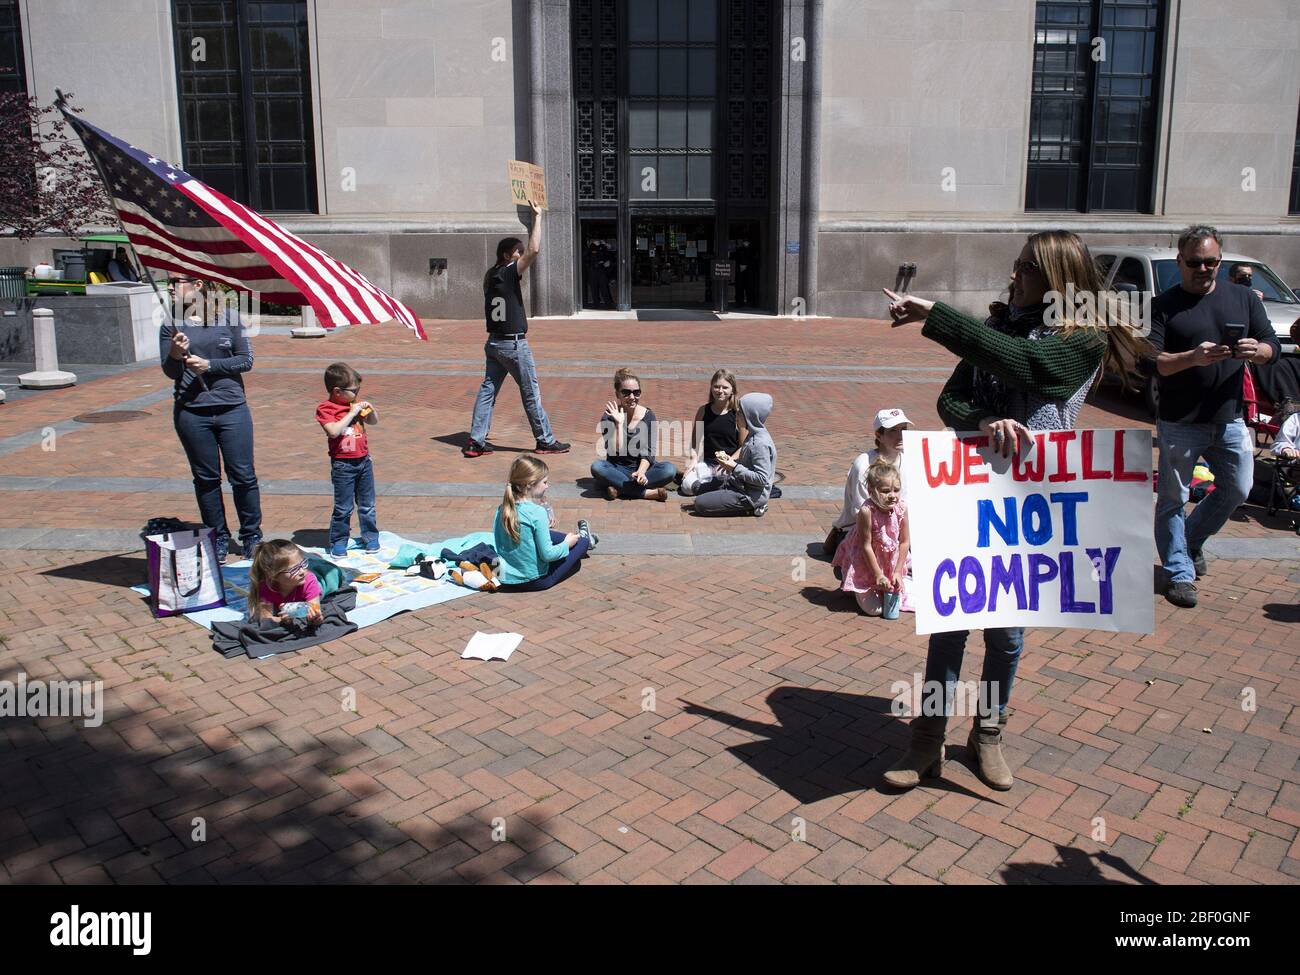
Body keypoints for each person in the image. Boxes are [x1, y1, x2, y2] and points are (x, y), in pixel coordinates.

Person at [880, 230, 1149, 791]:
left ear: (1059, 280)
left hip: (1033, 503)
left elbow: (1033, 366)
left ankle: (988, 735)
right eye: (1017, 265)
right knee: (949, 627)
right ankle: (927, 741)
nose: (1014, 275)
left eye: (1028, 268)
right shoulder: (996, 326)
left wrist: (939, 316)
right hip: (973, 491)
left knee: (1005, 636)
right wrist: (982, 423)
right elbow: (950, 399)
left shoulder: (1083, 340)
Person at [1151, 226, 1279, 608]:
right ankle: (1178, 573)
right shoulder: (1163, 305)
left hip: (1229, 417)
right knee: (1173, 497)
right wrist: (1193, 357)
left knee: (1238, 488)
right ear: (1180, 262)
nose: (1203, 268)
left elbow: (1273, 345)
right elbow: (1152, 362)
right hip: (1179, 421)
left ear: (1220, 261)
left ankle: (1190, 540)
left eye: (1211, 262)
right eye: (1194, 262)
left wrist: (1257, 350)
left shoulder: (1243, 298)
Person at [160, 275, 262, 562]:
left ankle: (251, 535)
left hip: (232, 409)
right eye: (168, 282)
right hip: (191, 412)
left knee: (242, 476)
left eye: (175, 281)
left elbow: (245, 360)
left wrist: (210, 365)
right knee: (206, 479)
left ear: (199, 284)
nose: (169, 287)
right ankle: (216, 535)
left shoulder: (228, 317)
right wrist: (174, 354)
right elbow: (169, 372)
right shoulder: (172, 323)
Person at [466, 200, 570, 458]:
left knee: (487, 391)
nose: (520, 255)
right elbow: (534, 250)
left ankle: (475, 442)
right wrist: (538, 217)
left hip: (494, 344)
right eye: (516, 252)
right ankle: (544, 440)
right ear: (506, 255)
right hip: (513, 345)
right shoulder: (509, 272)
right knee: (530, 392)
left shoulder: (491, 276)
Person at [494, 456, 594, 591]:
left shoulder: (502, 509)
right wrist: (566, 544)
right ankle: (585, 537)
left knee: (549, 535)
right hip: (536, 580)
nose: (548, 485)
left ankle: (572, 539)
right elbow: (547, 555)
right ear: (530, 483)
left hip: (505, 578)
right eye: (545, 482)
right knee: (582, 543)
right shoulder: (537, 512)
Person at [824, 408, 910, 561]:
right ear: (879, 435)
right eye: (893, 431)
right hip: (860, 532)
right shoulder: (863, 465)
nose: (900, 435)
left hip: (898, 529)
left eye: (903, 429)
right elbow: (862, 514)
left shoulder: (911, 460)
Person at [316, 362, 380, 557]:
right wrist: (351, 413)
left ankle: (370, 536)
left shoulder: (354, 405)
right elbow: (333, 431)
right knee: (343, 507)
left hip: (363, 461)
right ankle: (338, 540)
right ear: (337, 391)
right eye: (354, 390)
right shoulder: (326, 409)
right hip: (343, 465)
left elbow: (374, 421)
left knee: (367, 504)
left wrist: (371, 410)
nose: (357, 393)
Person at [832, 461, 912, 616]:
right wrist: (878, 575)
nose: (892, 496)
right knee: (876, 610)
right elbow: (865, 546)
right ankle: (856, 587)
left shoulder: (902, 508)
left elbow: (904, 542)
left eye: (896, 490)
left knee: (896, 598)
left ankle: (888, 580)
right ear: (870, 490)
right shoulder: (867, 511)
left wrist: (897, 572)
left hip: (889, 558)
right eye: (885, 491)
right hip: (865, 562)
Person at [591, 368, 678, 501]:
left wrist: (641, 472)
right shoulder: (608, 417)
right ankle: (647, 493)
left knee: (669, 470)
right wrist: (619, 424)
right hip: (617, 468)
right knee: (597, 467)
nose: (632, 397)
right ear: (617, 394)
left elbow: (648, 451)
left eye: (636, 392)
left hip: (642, 468)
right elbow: (614, 451)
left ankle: (619, 489)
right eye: (626, 393)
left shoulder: (648, 416)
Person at [691, 392, 777, 517]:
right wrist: (729, 462)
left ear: (751, 416)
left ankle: (753, 508)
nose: (736, 416)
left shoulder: (760, 444)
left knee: (700, 504)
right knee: (696, 489)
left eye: (740, 413)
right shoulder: (753, 435)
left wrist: (734, 467)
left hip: (748, 495)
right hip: (737, 484)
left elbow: (761, 478)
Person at [679, 370, 747, 497]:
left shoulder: (738, 413)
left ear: (732, 390)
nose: (720, 390)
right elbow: (694, 442)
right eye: (716, 386)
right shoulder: (703, 411)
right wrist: (693, 460)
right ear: (711, 388)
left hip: (730, 465)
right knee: (686, 486)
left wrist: (729, 461)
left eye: (725, 387)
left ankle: (713, 488)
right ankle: (719, 489)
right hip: (708, 463)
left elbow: (744, 446)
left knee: (721, 477)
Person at [247, 540, 323, 624]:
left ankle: (315, 559)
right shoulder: (267, 586)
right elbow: (265, 618)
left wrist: (315, 617)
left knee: (330, 575)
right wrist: (282, 620)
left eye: (303, 564)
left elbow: (316, 611)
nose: (302, 571)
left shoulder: (309, 580)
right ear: (274, 576)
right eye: (294, 569)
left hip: (321, 582)